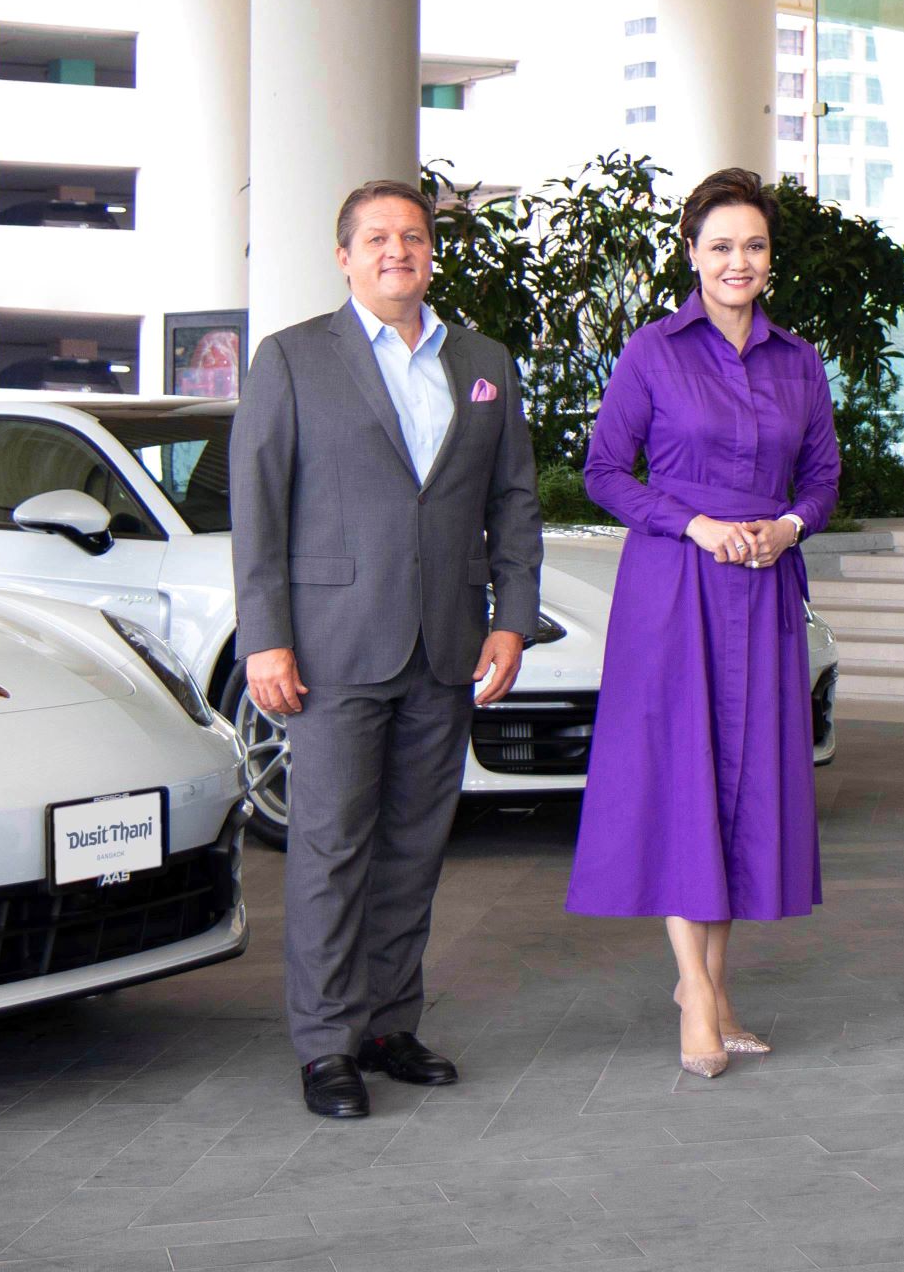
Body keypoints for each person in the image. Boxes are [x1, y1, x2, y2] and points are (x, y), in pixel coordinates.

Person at [232, 180, 544, 1120]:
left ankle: (386, 1023)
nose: (396, 250)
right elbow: (259, 509)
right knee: (330, 848)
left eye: (412, 236)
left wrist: (512, 615)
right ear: (345, 255)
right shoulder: (291, 359)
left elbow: (511, 502)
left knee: (413, 847)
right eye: (376, 237)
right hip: (331, 649)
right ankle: (326, 1045)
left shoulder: (483, 361)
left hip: (445, 643)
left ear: (431, 253)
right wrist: (266, 640)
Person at [567, 168, 839, 1079]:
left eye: (753, 246)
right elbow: (606, 471)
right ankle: (693, 992)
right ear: (691, 254)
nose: (738, 261)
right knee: (685, 784)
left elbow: (822, 479)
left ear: (770, 259)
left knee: (742, 788)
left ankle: (713, 994)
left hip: (762, 592)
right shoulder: (652, 351)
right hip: (675, 588)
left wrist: (788, 527)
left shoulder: (799, 361)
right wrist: (696, 523)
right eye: (720, 245)